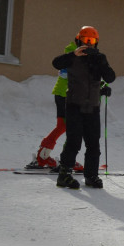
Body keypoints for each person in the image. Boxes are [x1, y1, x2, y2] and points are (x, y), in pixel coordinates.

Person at [52, 26, 116, 189]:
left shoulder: (99, 58)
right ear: (78, 40)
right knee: (74, 142)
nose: (88, 44)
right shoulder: (72, 57)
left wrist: (103, 80)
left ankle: (91, 175)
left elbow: (109, 77)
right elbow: (56, 63)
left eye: (92, 41)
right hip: (74, 105)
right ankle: (64, 174)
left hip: (93, 107)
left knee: (93, 143)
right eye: (85, 40)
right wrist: (74, 54)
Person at [30, 40, 83, 170]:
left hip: (62, 93)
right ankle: (67, 159)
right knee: (71, 127)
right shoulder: (75, 54)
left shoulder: (73, 52)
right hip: (66, 94)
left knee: (63, 126)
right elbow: (69, 74)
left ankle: (43, 155)